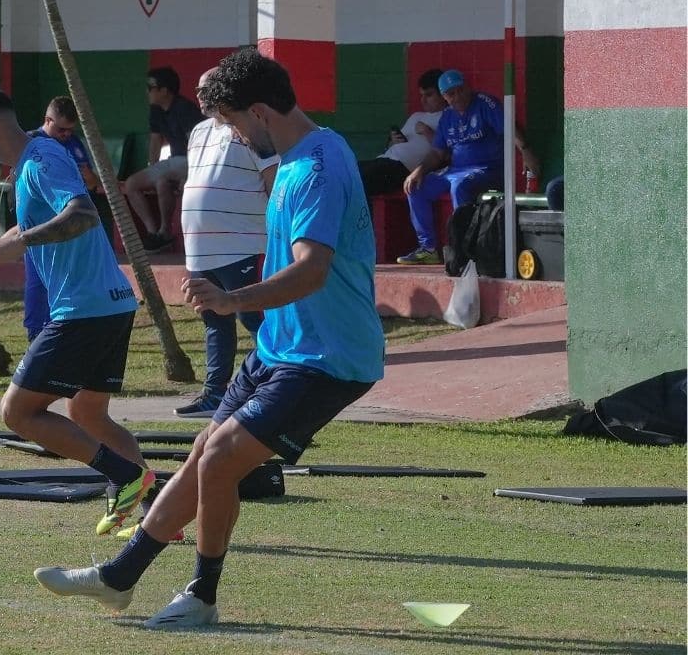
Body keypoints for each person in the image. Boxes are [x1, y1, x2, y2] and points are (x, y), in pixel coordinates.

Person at [33, 47, 384, 629]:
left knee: (220, 459)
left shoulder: (317, 168)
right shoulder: (308, 155)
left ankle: (201, 594)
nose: (236, 138)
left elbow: (312, 269)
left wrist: (232, 300)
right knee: (203, 455)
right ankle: (118, 578)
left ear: (260, 111)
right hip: (281, 348)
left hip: (328, 359)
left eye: (232, 122)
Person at [0, 85, 154, 536]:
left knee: (18, 413)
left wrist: (22, 241)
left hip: (84, 310)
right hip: (112, 304)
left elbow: (83, 214)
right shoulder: (36, 161)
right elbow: (28, 225)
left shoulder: (42, 160)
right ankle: (148, 514)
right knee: (89, 416)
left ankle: (126, 475)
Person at [173, 67, 280, 418]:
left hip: (243, 245)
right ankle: (214, 395)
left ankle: (279, 387)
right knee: (213, 323)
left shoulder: (249, 129)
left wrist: (278, 232)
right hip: (201, 250)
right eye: (198, 89)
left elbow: (272, 179)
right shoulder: (199, 131)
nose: (201, 96)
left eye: (208, 89)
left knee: (255, 320)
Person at [396, 69, 539, 264]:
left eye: (460, 90)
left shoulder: (485, 104)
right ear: (444, 97)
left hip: (487, 170)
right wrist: (419, 171)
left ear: (467, 87)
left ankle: (462, 248)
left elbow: (509, 127)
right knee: (415, 187)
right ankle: (428, 249)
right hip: (456, 171)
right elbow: (438, 153)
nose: (457, 97)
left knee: (460, 186)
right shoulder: (447, 116)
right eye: (450, 94)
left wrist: (525, 150)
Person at [23, 96, 115, 340]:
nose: (65, 134)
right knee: (38, 286)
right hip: (43, 227)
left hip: (70, 227)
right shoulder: (30, 142)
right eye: (60, 129)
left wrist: (85, 175)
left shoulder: (73, 143)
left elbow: (92, 183)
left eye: (70, 130)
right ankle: (35, 336)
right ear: (47, 120)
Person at [124, 66, 206, 251]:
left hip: (191, 162)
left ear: (164, 90)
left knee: (166, 179)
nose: (147, 92)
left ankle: (182, 236)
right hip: (172, 164)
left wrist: (192, 175)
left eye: (151, 88)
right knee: (136, 184)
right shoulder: (155, 110)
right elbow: (155, 141)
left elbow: (197, 145)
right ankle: (158, 234)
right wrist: (151, 167)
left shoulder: (185, 109)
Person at [358, 68, 446, 196]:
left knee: (359, 179)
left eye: (429, 95)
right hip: (384, 160)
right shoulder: (416, 116)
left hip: (403, 168)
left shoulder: (448, 117)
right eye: (421, 95)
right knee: (346, 171)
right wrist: (393, 142)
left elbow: (444, 154)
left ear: (443, 94)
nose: (423, 100)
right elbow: (392, 147)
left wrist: (428, 132)